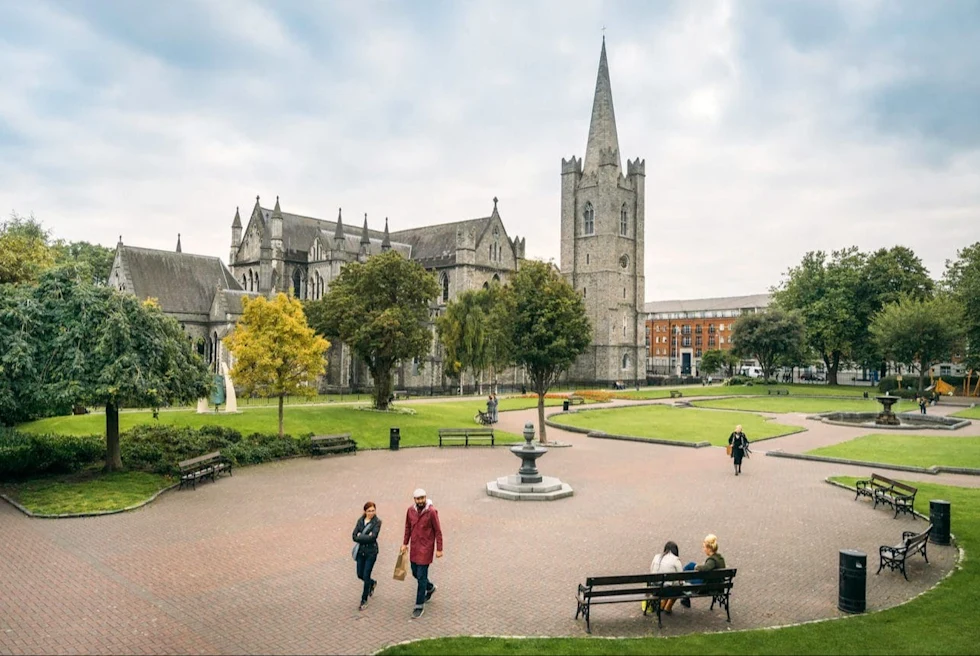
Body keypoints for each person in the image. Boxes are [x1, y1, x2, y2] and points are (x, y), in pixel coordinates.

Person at [401, 488, 443, 618]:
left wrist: (439, 549)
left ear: (425, 498)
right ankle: (430, 587)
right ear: (414, 500)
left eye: (422, 498)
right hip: (414, 547)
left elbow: (438, 531)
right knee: (415, 572)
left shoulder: (431, 512)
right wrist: (404, 543)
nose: (420, 501)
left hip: (426, 549)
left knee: (421, 577)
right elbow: (407, 527)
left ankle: (419, 605)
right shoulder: (410, 511)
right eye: (418, 499)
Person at [679, 534, 726, 608]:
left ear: (709, 548)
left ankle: (684, 594)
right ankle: (682, 581)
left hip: (707, 586)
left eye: (704, 547)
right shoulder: (720, 558)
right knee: (691, 565)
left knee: (687, 580)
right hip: (717, 584)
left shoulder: (712, 560)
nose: (703, 549)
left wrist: (697, 567)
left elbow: (706, 568)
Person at [352, 501, 382, 611]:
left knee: (366, 575)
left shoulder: (377, 522)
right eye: (369, 511)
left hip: (371, 553)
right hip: (361, 552)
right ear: (365, 511)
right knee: (360, 574)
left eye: (373, 510)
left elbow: (373, 537)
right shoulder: (360, 521)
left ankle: (363, 600)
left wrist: (361, 536)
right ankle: (372, 583)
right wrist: (366, 537)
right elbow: (354, 536)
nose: (371, 513)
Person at [650, 541, 683, 614]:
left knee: (667, 584)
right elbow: (681, 577)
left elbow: (651, 570)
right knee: (676, 587)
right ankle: (668, 607)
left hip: (656, 590)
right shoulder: (676, 560)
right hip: (668, 591)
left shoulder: (656, 557)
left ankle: (662, 606)